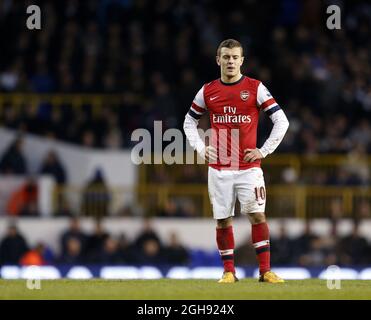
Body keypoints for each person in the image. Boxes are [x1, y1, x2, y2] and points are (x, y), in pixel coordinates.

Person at [183, 39, 289, 283]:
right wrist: (200, 146)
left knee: (257, 216)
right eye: (226, 57)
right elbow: (189, 121)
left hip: (249, 168)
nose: (230, 61)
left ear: (242, 61)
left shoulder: (255, 88)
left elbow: (282, 121)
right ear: (218, 60)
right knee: (222, 219)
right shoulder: (207, 90)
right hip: (219, 167)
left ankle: (265, 271)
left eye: (235, 57)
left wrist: (264, 150)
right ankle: (229, 272)